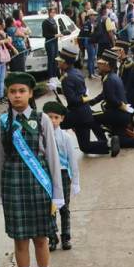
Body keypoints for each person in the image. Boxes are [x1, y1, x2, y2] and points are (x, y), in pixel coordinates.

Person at [0, 73, 63, 267]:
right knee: (20, 240)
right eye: (12, 91)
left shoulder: (42, 119)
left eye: (22, 91)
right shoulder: (1, 123)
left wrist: (58, 193)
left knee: (41, 238)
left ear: (30, 93)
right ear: (7, 94)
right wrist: (1, 193)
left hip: (39, 183)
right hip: (13, 184)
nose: (17, 95)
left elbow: (52, 156)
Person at [54, 44, 109, 155]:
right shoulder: (76, 72)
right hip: (85, 113)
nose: (58, 63)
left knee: (54, 123)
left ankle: (53, 151)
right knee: (85, 147)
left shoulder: (66, 78)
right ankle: (108, 144)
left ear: (65, 62)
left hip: (78, 115)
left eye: (60, 61)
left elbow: (72, 100)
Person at [42, 101, 80, 252]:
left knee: (64, 207)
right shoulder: (40, 136)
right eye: (49, 117)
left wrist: (76, 181)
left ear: (62, 119)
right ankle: (52, 238)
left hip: (63, 174)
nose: (52, 120)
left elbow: (72, 159)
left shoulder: (66, 137)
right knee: (49, 208)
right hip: (47, 174)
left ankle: (66, 237)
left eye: (56, 117)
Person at [42, 5, 61, 80]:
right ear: (49, 13)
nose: (53, 14)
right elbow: (45, 34)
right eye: (52, 12)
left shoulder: (54, 20)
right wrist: (54, 35)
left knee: (55, 59)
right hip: (49, 42)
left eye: (54, 12)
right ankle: (51, 76)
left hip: (55, 41)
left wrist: (58, 35)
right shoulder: (45, 22)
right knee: (51, 59)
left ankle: (55, 75)